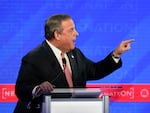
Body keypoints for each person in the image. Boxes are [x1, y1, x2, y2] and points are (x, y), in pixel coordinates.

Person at [14, 14, 134, 113]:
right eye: (71, 30)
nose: (76, 33)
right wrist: (38, 88)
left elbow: (95, 70)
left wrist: (116, 54)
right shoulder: (34, 58)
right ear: (57, 35)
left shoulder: (74, 53)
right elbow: (21, 89)